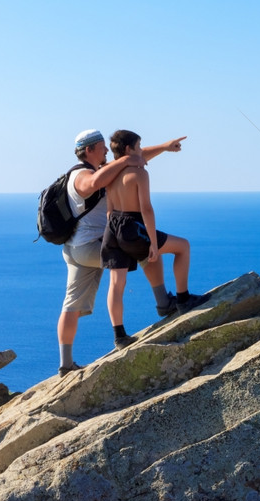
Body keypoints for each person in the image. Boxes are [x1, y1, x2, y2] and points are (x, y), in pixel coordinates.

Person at [58, 129, 186, 377]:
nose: (106, 150)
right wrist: (128, 160)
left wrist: (164, 147)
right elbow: (95, 183)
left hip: (75, 248)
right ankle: (164, 302)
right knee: (149, 251)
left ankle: (65, 365)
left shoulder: (103, 168)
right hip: (94, 244)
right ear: (89, 150)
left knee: (71, 305)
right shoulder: (82, 175)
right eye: (102, 147)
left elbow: (134, 156)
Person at [101, 129, 208, 350]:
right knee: (183, 247)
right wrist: (152, 242)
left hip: (112, 229)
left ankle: (119, 336)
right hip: (133, 225)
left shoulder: (108, 173)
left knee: (116, 283)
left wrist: (115, 233)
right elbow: (146, 209)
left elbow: (109, 211)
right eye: (139, 146)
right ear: (129, 149)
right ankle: (183, 299)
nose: (141, 150)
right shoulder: (139, 173)